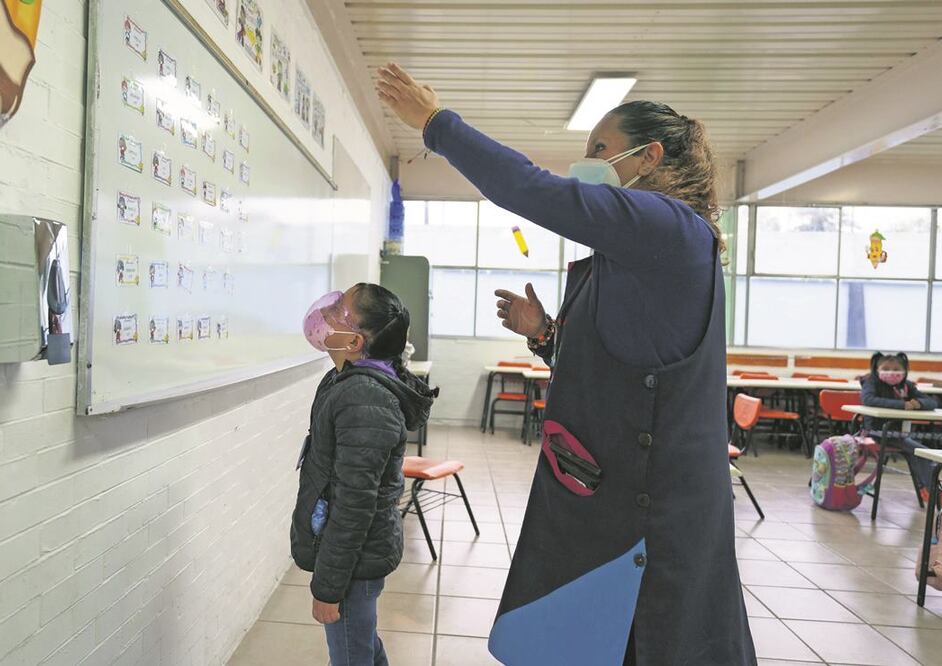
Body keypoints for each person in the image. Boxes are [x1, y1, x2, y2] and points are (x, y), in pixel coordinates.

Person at [376, 64, 755, 665]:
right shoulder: (638, 248)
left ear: (649, 156)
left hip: (648, 504)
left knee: (652, 635)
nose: (590, 165)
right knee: (602, 633)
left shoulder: (669, 227)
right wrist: (547, 334)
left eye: (601, 151)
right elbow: (627, 365)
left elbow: (533, 189)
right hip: (613, 485)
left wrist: (434, 123)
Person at [290, 283, 437, 666]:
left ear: (354, 341)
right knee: (361, 644)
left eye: (339, 309)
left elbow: (354, 506)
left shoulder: (364, 397)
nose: (327, 309)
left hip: (352, 560)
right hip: (353, 554)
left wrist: (328, 587)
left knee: (351, 655)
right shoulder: (347, 380)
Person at [859, 351, 942, 509]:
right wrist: (902, 405)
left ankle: (926, 489)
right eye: (886, 368)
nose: (891, 372)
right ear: (876, 369)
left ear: (904, 370)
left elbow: (931, 402)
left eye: (896, 368)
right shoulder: (871, 382)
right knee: (921, 451)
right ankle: (933, 492)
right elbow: (868, 399)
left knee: (918, 453)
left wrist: (918, 403)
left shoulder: (906, 386)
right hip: (876, 432)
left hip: (898, 434)